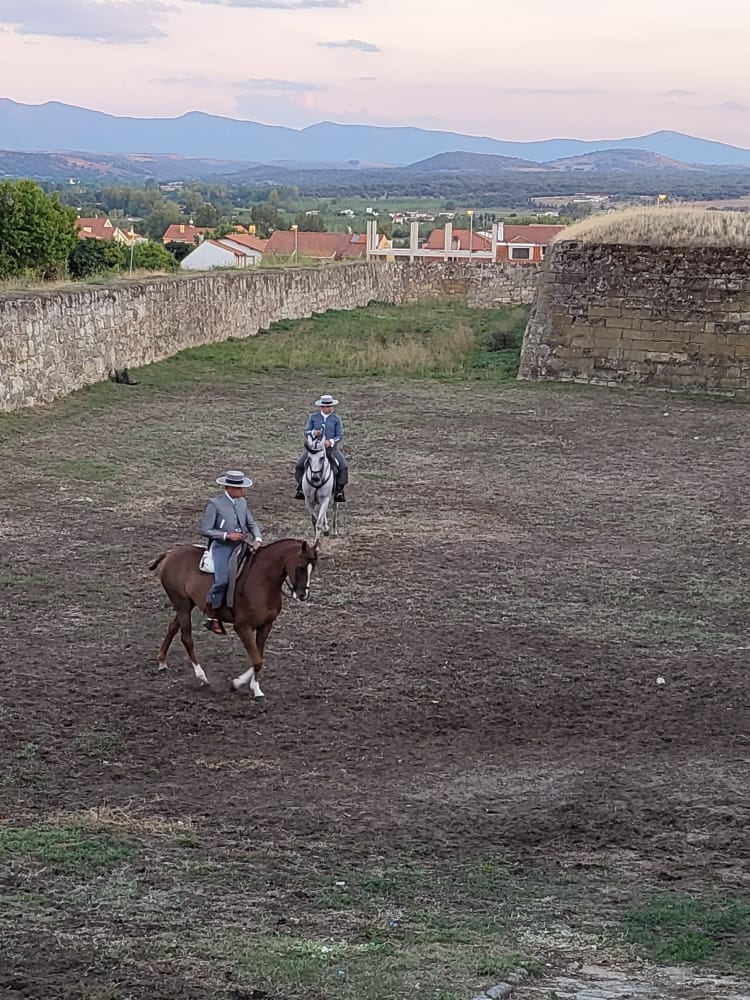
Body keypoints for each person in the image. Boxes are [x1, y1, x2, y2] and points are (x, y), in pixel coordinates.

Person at [201, 470, 263, 635]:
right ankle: (211, 612)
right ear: (229, 488)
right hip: (222, 547)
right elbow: (206, 529)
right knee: (222, 580)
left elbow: (251, 523)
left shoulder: (242, 502)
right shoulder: (215, 504)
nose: (242, 491)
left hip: (241, 545)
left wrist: (257, 538)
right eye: (239, 488)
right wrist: (227, 535)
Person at [294, 393, 348, 503]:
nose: (330, 408)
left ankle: (339, 490)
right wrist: (314, 432)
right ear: (322, 407)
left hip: (330, 449)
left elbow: (339, 435)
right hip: (314, 448)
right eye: (327, 406)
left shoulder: (336, 419)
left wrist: (331, 441)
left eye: (331, 406)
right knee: (300, 465)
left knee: (343, 466)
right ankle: (301, 488)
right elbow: (307, 431)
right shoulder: (313, 417)